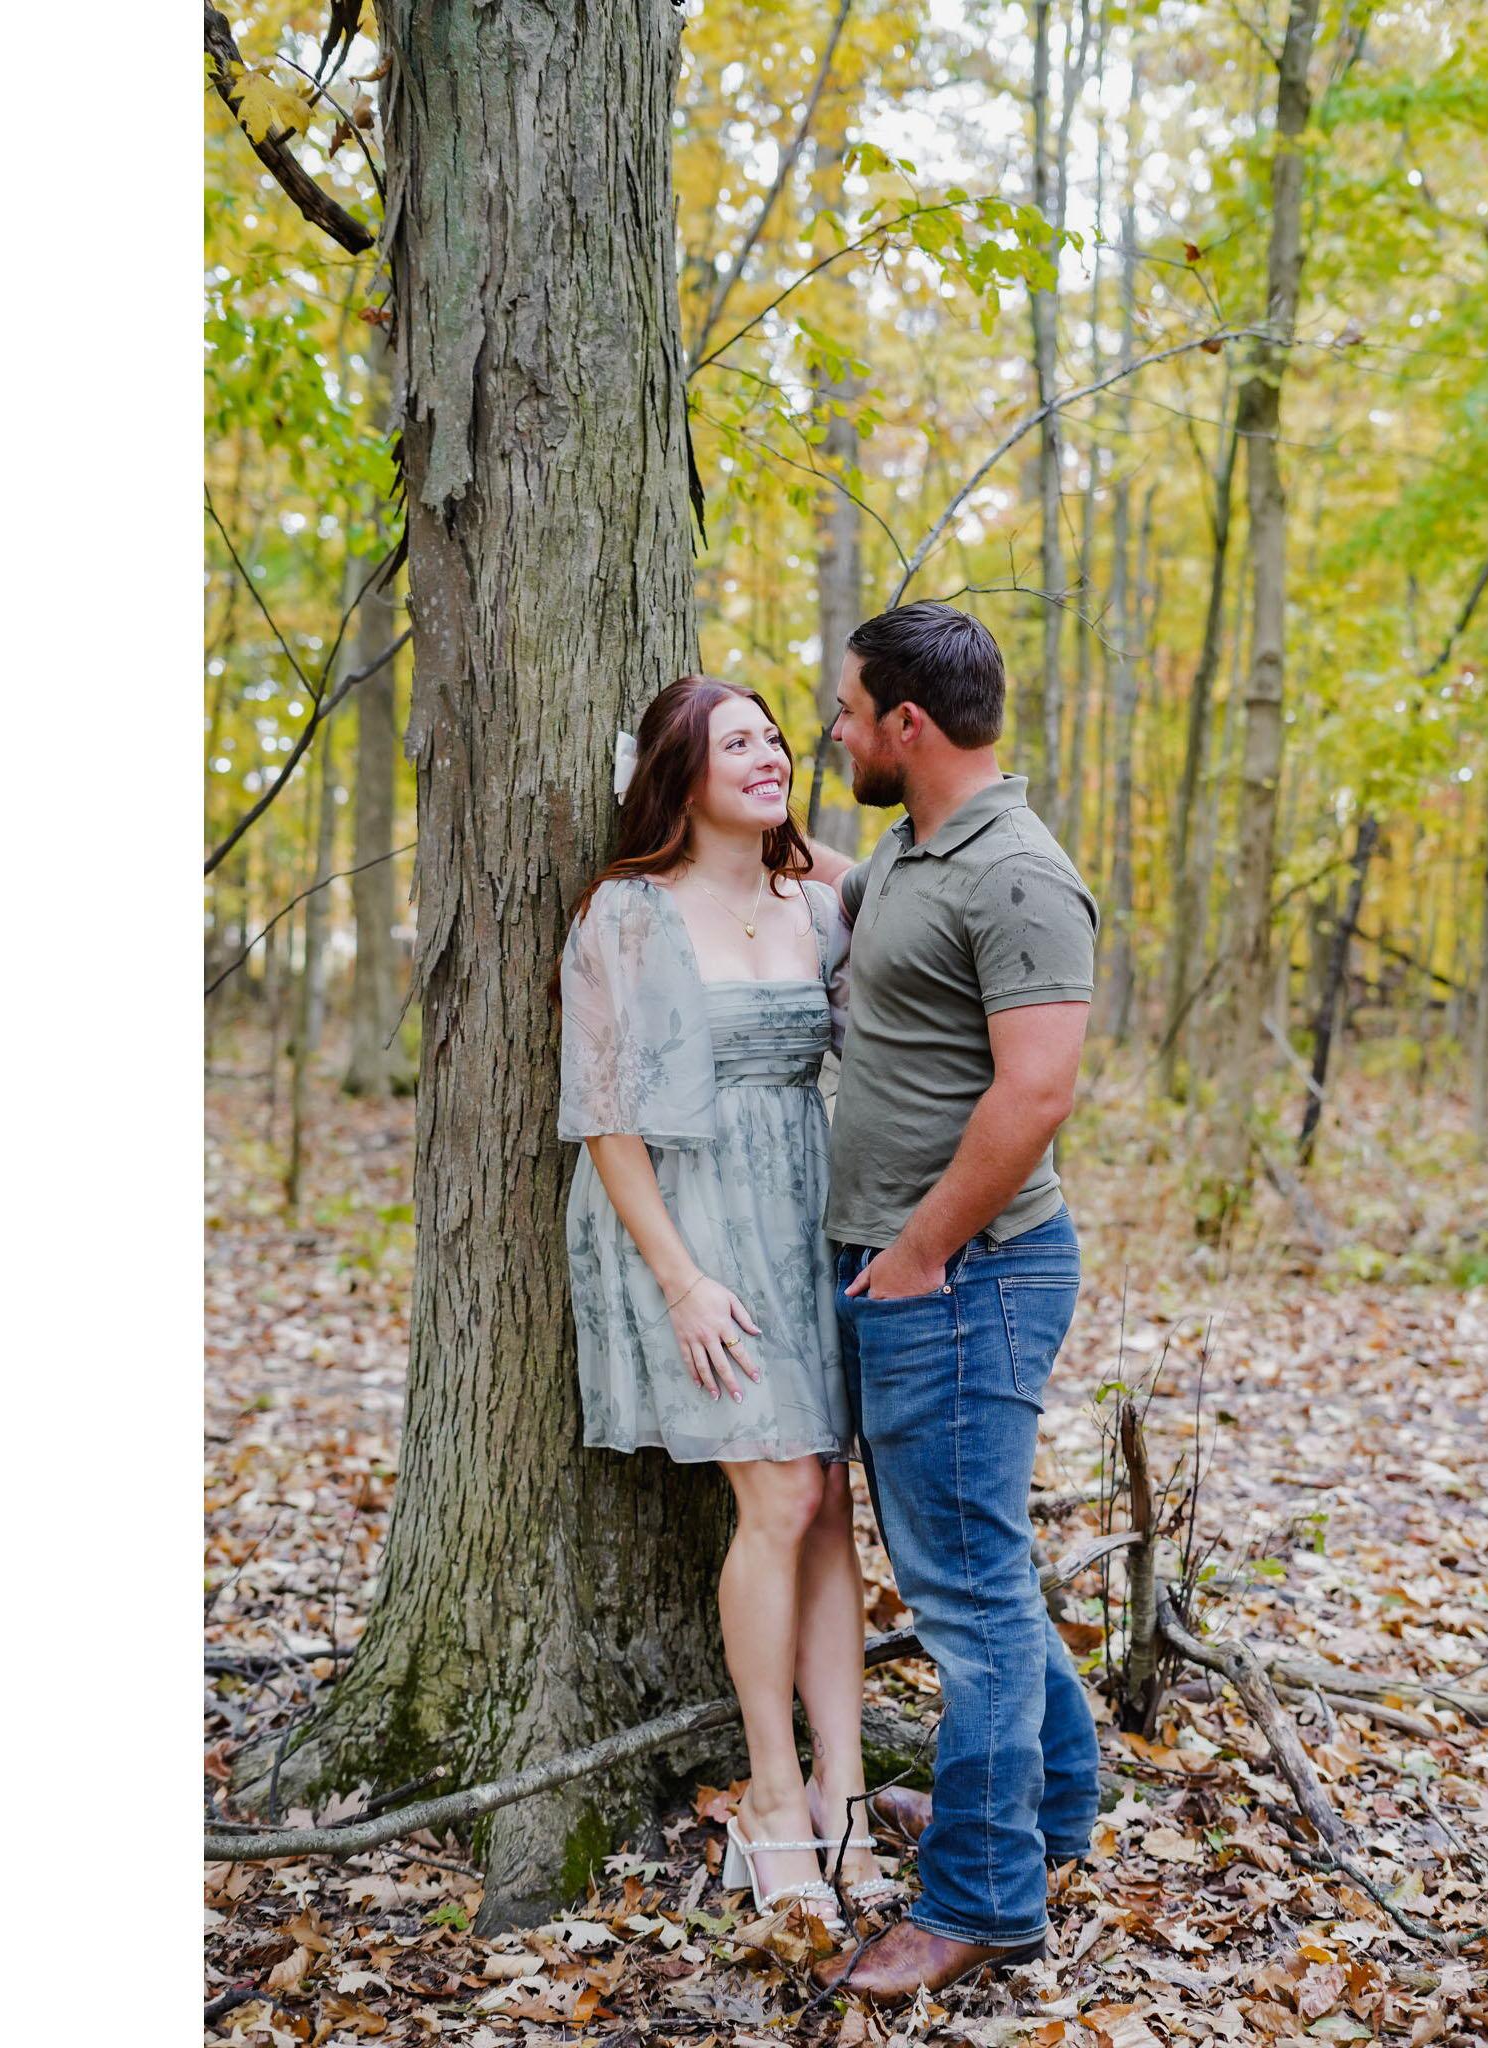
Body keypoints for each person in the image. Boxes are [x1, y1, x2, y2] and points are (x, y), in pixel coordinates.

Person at [555, 675, 899, 1923]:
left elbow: (894, 989)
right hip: (687, 1224)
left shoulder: (820, 900)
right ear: (679, 775)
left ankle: (844, 1793)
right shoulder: (625, 914)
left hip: (808, 1212)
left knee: (829, 1507)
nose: (767, 756)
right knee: (782, 1495)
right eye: (733, 742)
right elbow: (605, 1117)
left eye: (772, 738)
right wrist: (683, 1278)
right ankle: (771, 1793)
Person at [808, 601, 1101, 2005]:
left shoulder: (1020, 875)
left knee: (966, 1600)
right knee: (984, 1572)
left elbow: (1036, 1090)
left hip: (967, 1276)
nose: (836, 732)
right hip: (916, 1267)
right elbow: (855, 905)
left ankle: (983, 1898)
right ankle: (1048, 1812)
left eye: (848, 711)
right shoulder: (913, 853)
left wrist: (921, 1252)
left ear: (907, 724)